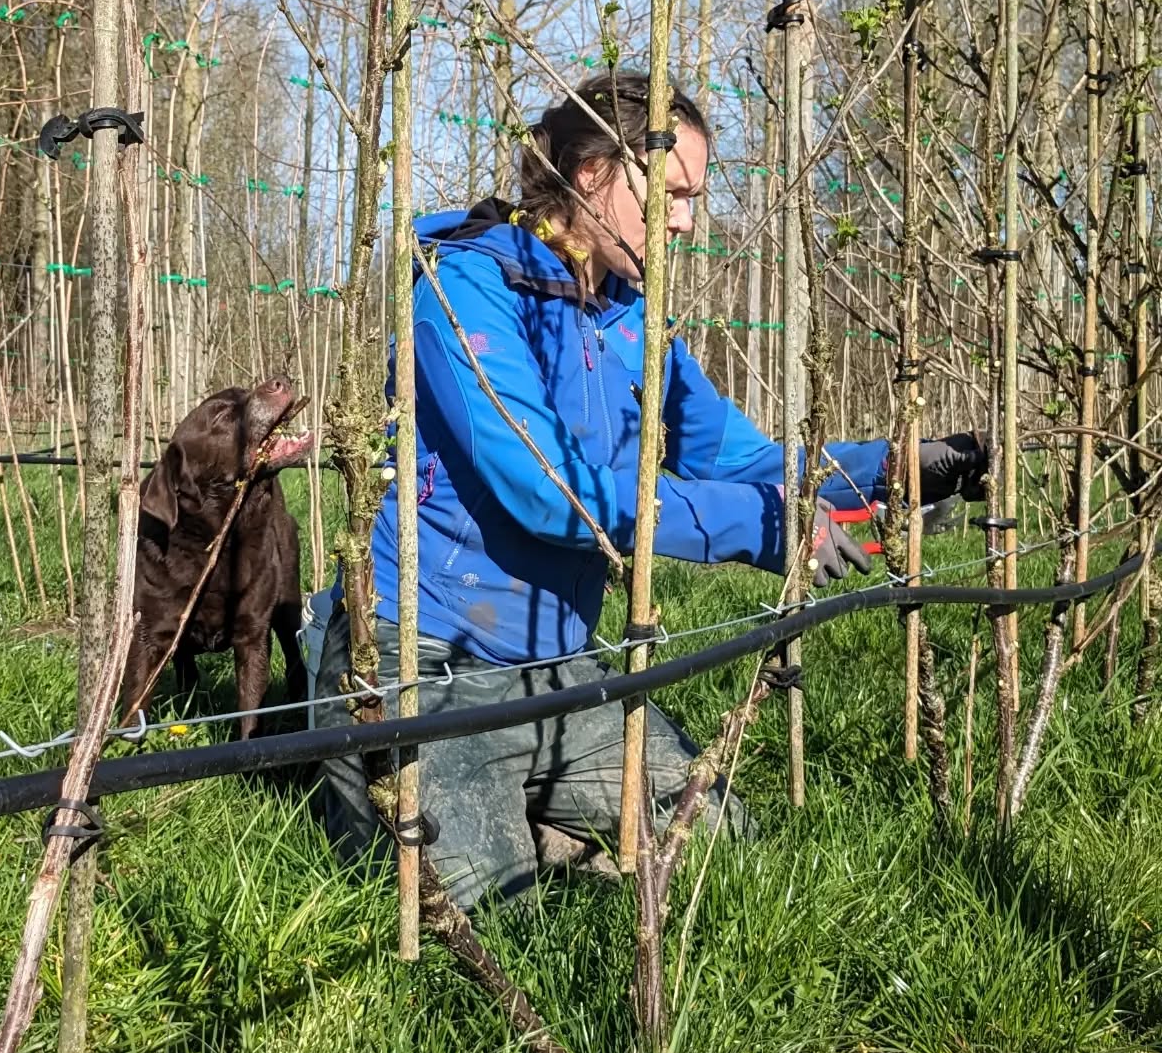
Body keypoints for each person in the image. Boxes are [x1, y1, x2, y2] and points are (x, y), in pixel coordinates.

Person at [313, 69, 986, 911]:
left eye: (695, 198)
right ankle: (474, 814)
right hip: (423, 664)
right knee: (488, 929)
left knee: (720, 846)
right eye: (669, 192)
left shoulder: (632, 315)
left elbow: (739, 458)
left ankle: (538, 822)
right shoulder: (465, 290)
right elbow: (543, 488)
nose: (686, 220)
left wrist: (898, 466)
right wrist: (764, 526)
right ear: (589, 174)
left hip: (550, 671)